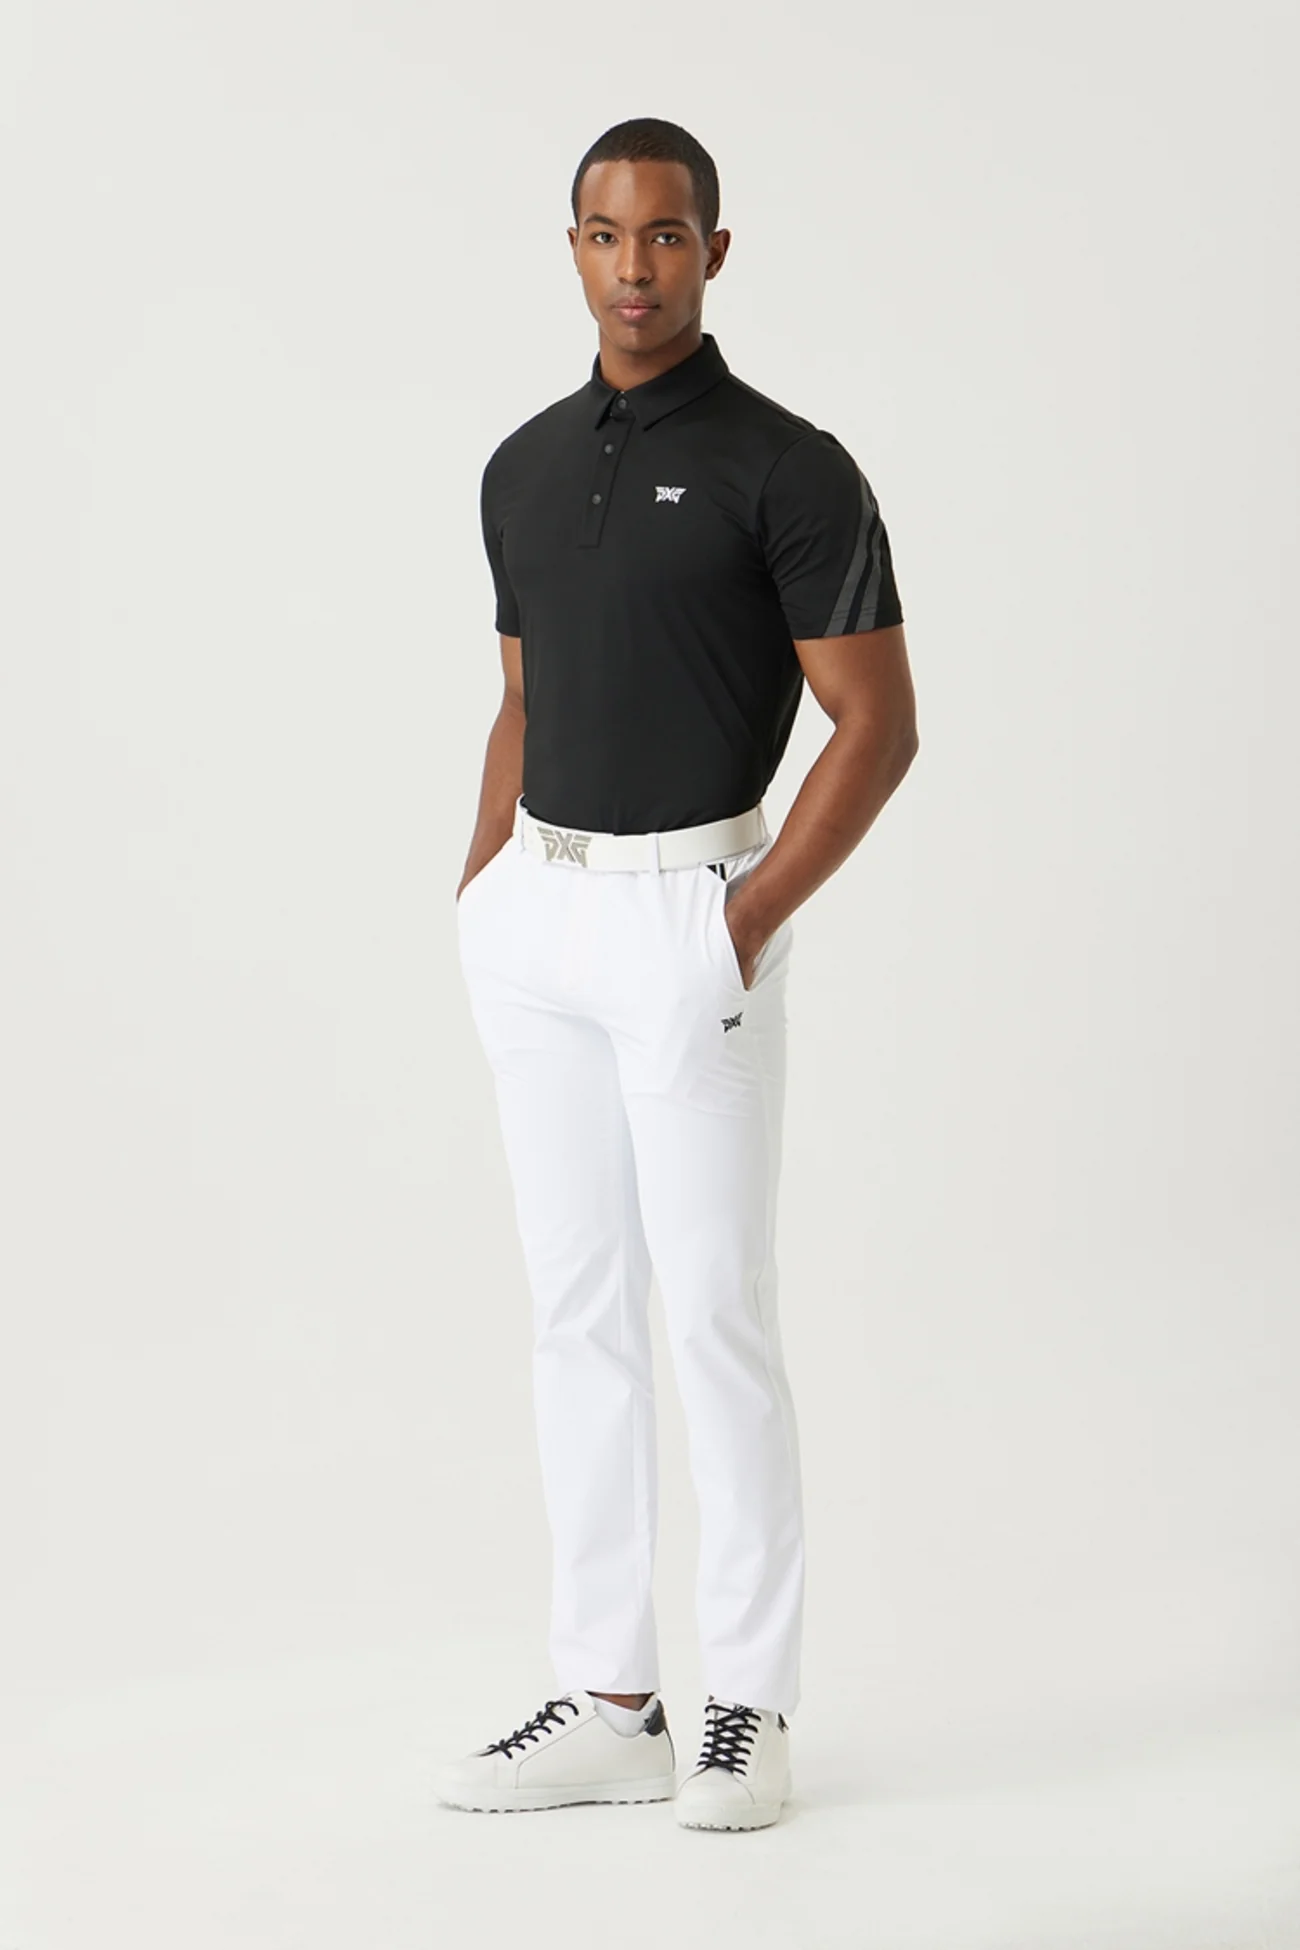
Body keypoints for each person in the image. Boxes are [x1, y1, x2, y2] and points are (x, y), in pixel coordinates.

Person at [434, 116, 918, 1832]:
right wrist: (482, 884)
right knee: (576, 1313)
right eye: (603, 232)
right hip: (541, 926)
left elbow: (878, 724)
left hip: (691, 922)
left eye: (663, 234)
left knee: (713, 1314)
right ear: (571, 246)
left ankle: (749, 1710)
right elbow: (521, 692)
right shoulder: (519, 466)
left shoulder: (791, 468)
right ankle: (610, 1695)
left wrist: (742, 919)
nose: (632, 265)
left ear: (715, 249)